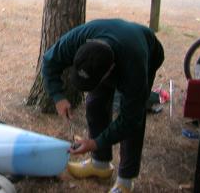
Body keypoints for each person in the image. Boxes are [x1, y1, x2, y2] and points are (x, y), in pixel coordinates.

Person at [42, 18, 164, 193]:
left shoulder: (134, 69)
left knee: (134, 119)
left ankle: (126, 181)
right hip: (113, 48)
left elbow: (131, 120)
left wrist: (95, 143)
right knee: (94, 103)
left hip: (147, 51)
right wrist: (57, 96)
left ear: (110, 70)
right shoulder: (77, 40)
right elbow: (49, 61)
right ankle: (100, 164)